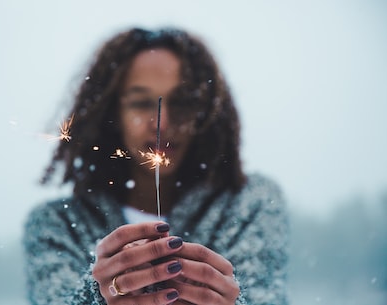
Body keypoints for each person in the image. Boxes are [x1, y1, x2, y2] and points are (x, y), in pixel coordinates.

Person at [23, 27, 289, 305]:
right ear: (112, 114)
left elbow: (267, 297)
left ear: (206, 112)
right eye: (141, 103)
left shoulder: (250, 203)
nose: (161, 124)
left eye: (181, 102)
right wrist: (94, 299)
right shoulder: (58, 225)